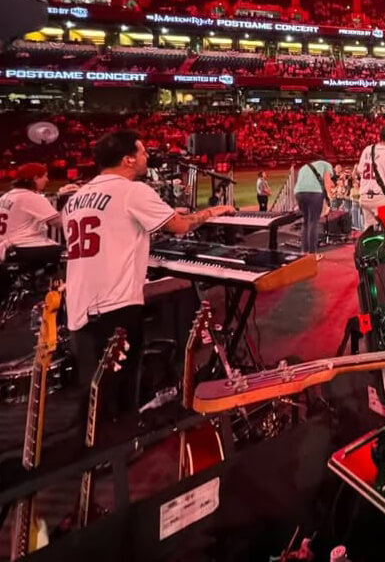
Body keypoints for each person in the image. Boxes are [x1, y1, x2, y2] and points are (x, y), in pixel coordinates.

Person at [62, 130, 235, 436]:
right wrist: (210, 212)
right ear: (128, 159)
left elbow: (112, 230)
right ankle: (120, 449)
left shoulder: (75, 198)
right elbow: (180, 227)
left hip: (78, 304)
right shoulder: (133, 191)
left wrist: (165, 214)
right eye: (141, 152)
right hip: (115, 304)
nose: (146, 157)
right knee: (122, 386)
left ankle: (92, 448)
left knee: (93, 386)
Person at [0, 163, 69, 270]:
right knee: (69, 253)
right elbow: (60, 223)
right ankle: (54, 285)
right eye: (45, 176)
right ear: (35, 178)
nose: (47, 180)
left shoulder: (5, 196)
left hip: (7, 248)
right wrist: (70, 203)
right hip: (23, 246)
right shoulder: (30, 197)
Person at [357, 125, 385, 229]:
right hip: (379, 200)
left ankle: (367, 245)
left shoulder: (367, 150)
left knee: (369, 229)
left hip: (364, 197)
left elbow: (360, 171)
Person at [294, 154, 334, 256]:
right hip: (314, 192)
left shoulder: (304, 167)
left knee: (306, 222)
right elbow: (327, 181)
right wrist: (329, 199)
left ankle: (304, 251)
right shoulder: (326, 164)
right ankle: (312, 253)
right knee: (313, 222)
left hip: (299, 192)